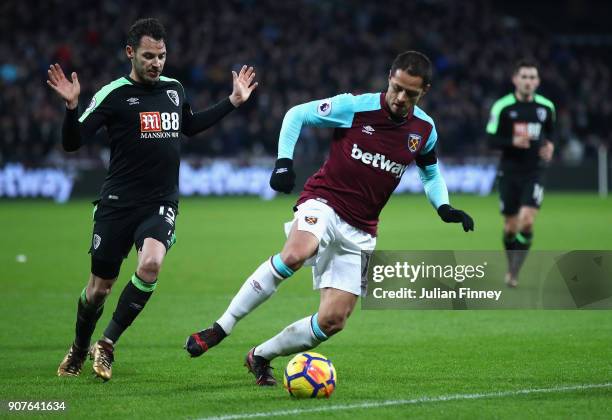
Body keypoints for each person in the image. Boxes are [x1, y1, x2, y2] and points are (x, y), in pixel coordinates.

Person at [185, 51, 474, 385]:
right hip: (324, 202)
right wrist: (283, 162)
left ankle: (260, 355)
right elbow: (296, 115)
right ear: (389, 78)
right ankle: (221, 327)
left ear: (424, 91)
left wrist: (444, 207)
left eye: (410, 93)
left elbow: (431, 173)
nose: (400, 97)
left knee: (333, 320)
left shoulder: (424, 129)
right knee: (295, 253)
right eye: (396, 87)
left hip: (362, 230)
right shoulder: (355, 107)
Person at [48, 18, 258, 381]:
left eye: (161, 56)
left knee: (150, 266)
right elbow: (72, 142)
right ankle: (80, 348)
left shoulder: (174, 90)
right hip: (117, 203)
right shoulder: (112, 94)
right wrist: (70, 109)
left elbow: (190, 126)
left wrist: (233, 102)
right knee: (98, 290)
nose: (156, 63)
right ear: (130, 53)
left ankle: (108, 344)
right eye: (148, 56)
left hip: (160, 202)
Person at [486, 60, 555, 288]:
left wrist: (551, 146)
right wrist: (512, 141)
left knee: (527, 222)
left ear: (538, 81)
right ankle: (510, 264)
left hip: (534, 172)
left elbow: (552, 134)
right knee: (510, 227)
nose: (528, 81)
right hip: (509, 172)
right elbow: (490, 140)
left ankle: (514, 271)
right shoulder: (503, 107)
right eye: (523, 76)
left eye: (532, 77)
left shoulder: (546, 108)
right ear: (515, 79)